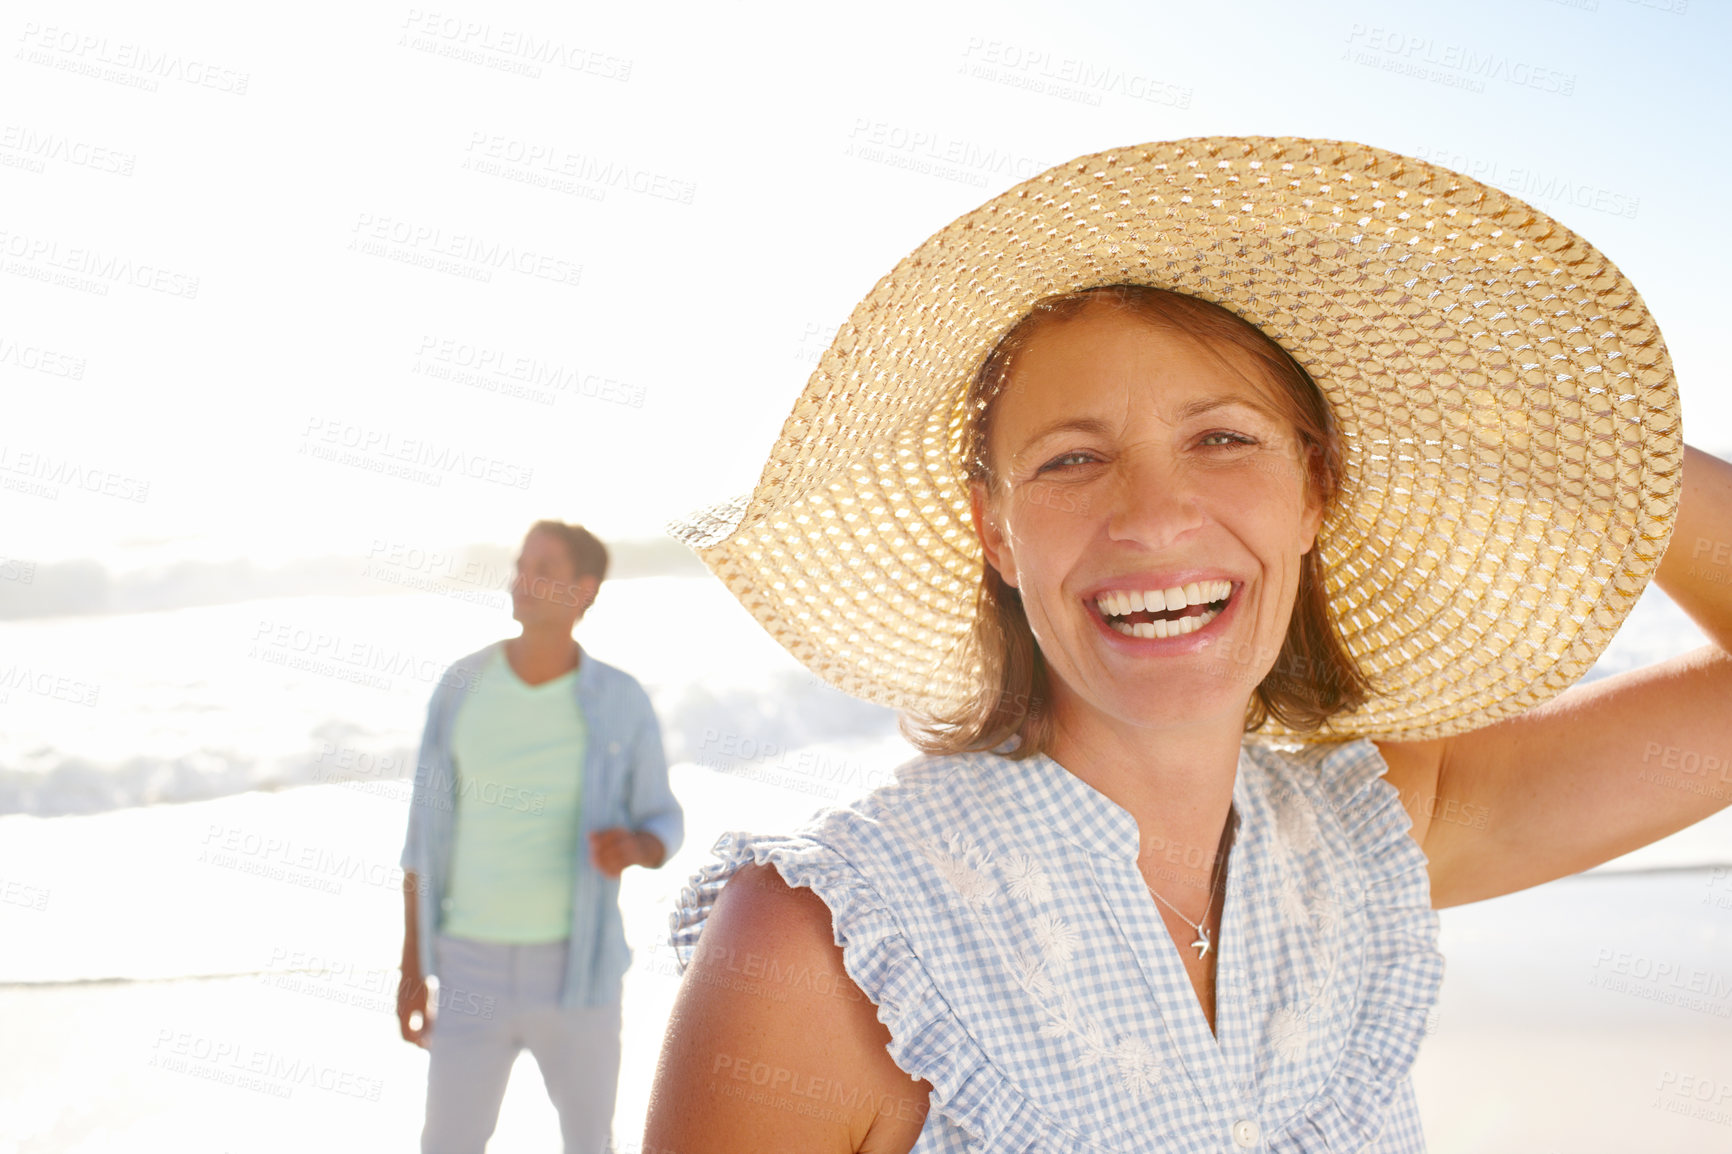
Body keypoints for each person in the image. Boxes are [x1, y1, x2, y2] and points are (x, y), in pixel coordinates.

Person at [643, 138, 1732, 1151]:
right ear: (994, 530)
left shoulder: (1360, 845)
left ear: (1315, 491)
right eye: (1072, 459)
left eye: (1221, 439)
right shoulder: (827, 939)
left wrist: (1565, 430)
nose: (1154, 516)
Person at [397, 519, 683, 1154]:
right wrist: (412, 966)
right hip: (468, 964)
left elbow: (663, 818)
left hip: (579, 971)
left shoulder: (620, 700)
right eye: (521, 564)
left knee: (589, 1145)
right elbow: (422, 838)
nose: (523, 581)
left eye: (545, 569)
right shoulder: (460, 686)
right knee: (445, 1144)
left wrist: (635, 847)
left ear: (584, 591)